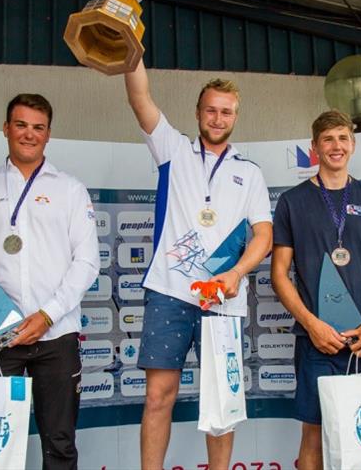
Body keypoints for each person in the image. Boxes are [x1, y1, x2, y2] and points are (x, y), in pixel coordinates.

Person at [123, 59, 272, 470]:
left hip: (223, 300)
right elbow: (140, 99)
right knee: (158, 396)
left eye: (226, 111)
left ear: (235, 117)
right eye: (211, 109)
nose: (218, 118)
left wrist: (237, 273)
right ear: (198, 112)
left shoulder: (250, 173)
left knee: (221, 401)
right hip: (170, 293)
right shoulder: (172, 149)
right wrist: (129, 49)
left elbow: (264, 235)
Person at [0, 93, 100, 469]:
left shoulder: (70, 189)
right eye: (21, 125)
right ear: (5, 129)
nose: (29, 134)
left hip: (56, 335)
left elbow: (87, 262)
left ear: (49, 134)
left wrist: (46, 316)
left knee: (60, 446)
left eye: (38, 127)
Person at [270, 110, 361, 469]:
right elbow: (279, 273)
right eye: (327, 139)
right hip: (317, 341)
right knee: (313, 434)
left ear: (353, 145)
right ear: (314, 148)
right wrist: (312, 325)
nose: (336, 146)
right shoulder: (292, 201)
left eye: (343, 138)